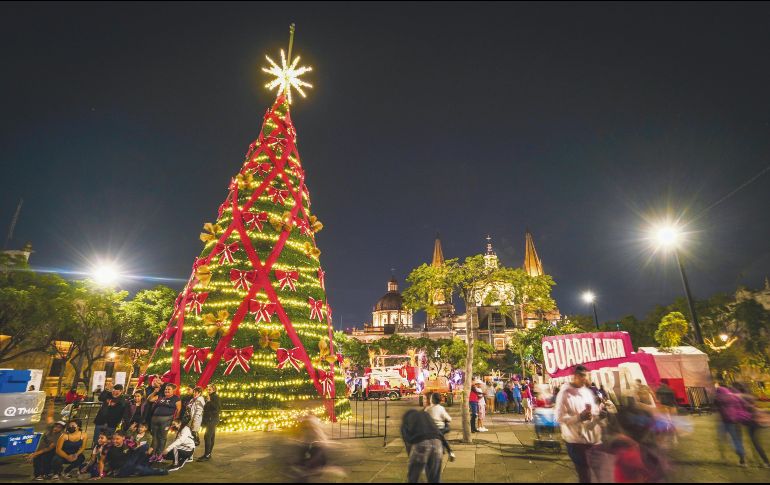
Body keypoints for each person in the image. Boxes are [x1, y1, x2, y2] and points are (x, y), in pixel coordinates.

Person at [555, 365, 605, 483]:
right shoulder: (564, 393)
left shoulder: (587, 392)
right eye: (582, 376)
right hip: (576, 442)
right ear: (575, 376)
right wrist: (579, 417)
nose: (585, 379)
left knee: (599, 475)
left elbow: (593, 410)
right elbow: (559, 417)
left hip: (593, 440)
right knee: (585, 476)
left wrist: (599, 413)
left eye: (586, 376)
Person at [401, 409, 446, 483]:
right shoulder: (426, 415)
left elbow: (407, 442)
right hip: (437, 443)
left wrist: (411, 456)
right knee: (435, 477)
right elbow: (439, 432)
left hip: (421, 444)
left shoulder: (406, 421)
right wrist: (446, 449)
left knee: (414, 476)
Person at [733, 382, 770, 468]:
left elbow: (748, 407)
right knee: (754, 442)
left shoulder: (740, 397)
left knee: (753, 442)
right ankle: (763, 461)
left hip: (750, 421)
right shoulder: (750, 396)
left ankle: (765, 462)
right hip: (752, 421)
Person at [149, 382, 181, 463]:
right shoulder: (160, 396)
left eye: (169, 389)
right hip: (154, 420)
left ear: (173, 390)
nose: (166, 390)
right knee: (154, 437)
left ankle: (159, 455)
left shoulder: (176, 399)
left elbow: (178, 410)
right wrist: (154, 392)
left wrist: (175, 420)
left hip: (166, 420)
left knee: (162, 437)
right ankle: (154, 454)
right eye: (166, 389)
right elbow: (150, 399)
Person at [198, 384, 220, 461]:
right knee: (211, 436)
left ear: (214, 390)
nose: (208, 390)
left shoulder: (215, 397)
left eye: (210, 389)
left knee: (207, 436)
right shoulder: (208, 397)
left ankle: (207, 455)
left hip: (213, 419)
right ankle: (208, 454)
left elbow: (217, 408)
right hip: (209, 419)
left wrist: (210, 401)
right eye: (207, 389)